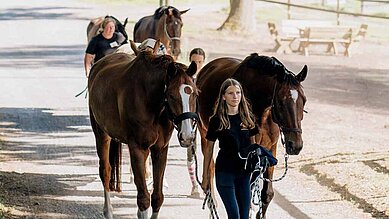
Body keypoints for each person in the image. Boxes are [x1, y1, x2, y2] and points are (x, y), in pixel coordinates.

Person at [201, 78, 258, 219]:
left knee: (244, 216)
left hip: (244, 174)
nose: (235, 96)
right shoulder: (217, 120)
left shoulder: (248, 118)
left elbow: (253, 146)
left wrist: (257, 164)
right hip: (224, 172)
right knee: (234, 215)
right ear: (223, 96)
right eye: (231, 93)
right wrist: (205, 176)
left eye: (238, 93)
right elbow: (208, 149)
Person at [185, 47, 206, 198]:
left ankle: (206, 181)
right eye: (194, 61)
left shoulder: (207, 77)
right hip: (191, 118)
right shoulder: (186, 77)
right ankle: (194, 185)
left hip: (204, 118)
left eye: (200, 61)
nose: (197, 65)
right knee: (191, 151)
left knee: (207, 151)